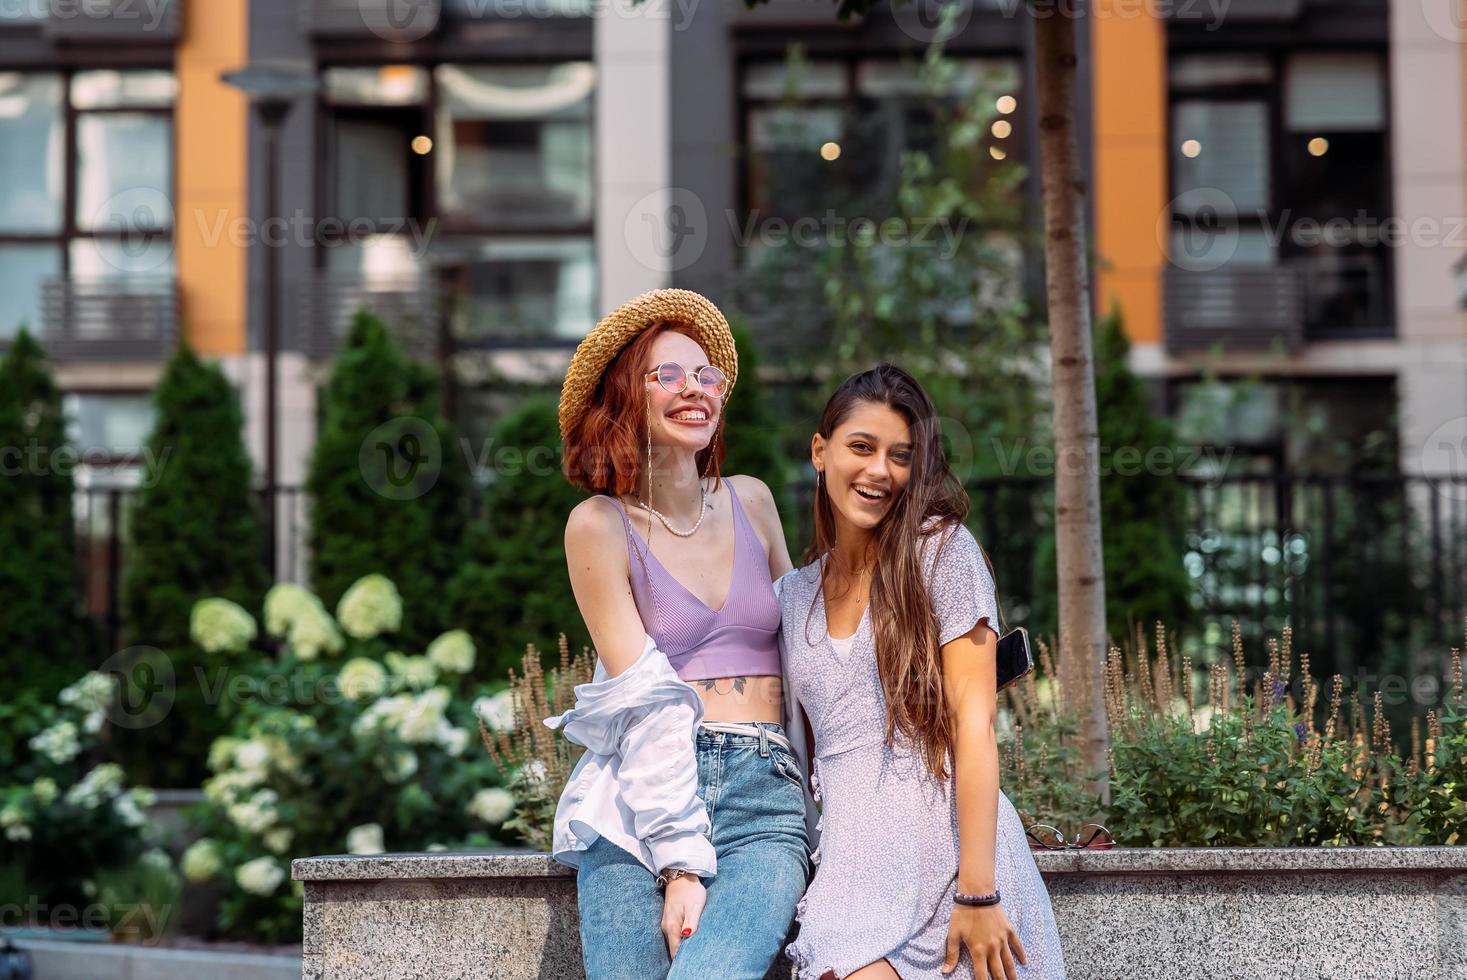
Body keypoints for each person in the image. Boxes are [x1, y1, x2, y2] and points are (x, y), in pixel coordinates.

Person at [546, 288, 813, 980]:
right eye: (668, 374)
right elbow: (642, 698)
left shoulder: (751, 500)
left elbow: (810, 647)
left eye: (706, 376)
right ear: (624, 396)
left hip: (764, 793)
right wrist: (679, 860)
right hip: (638, 801)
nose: (694, 389)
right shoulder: (599, 526)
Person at [777, 364, 1066, 980]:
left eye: (900, 456)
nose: (880, 470)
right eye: (862, 447)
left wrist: (980, 891)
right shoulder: (789, 597)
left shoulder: (942, 553)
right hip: (849, 877)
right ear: (819, 452)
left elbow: (976, 727)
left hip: (954, 866)